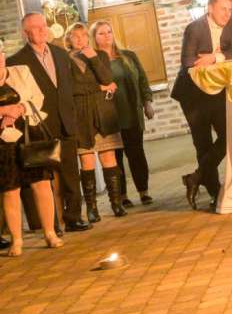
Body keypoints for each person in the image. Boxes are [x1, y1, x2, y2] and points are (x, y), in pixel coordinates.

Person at [8, 13, 89, 232]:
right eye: (37, 27)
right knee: (41, 177)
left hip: (66, 121)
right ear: (26, 33)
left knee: (71, 173)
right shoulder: (16, 61)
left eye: (44, 25)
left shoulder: (61, 54)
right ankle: (49, 223)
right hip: (38, 125)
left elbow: (69, 87)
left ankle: (74, 217)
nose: (43, 30)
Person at [171, 0, 232, 211]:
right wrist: (215, 58)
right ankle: (215, 193)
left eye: (230, 10)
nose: (227, 14)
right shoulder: (195, 28)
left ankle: (195, 177)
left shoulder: (230, 25)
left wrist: (214, 57)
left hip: (215, 90)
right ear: (210, 8)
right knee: (203, 143)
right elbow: (188, 61)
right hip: (192, 94)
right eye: (223, 9)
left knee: (228, 136)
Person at [0, 52, 63, 256]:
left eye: (0, 55)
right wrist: (4, 112)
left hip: (29, 132)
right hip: (3, 139)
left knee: (41, 183)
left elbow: (38, 97)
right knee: (10, 189)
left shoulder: (21, 71)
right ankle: (17, 240)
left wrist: (19, 109)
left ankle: (50, 233)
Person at [64, 23, 127, 220]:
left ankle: (116, 203)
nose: (80, 39)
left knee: (109, 158)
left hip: (103, 113)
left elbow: (107, 78)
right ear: (69, 39)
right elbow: (71, 88)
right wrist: (99, 88)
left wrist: (93, 57)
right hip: (81, 117)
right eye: (75, 36)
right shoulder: (64, 60)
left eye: (84, 35)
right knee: (87, 160)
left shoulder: (99, 56)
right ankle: (92, 209)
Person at [91, 20, 155, 207]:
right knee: (115, 158)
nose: (106, 36)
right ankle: (122, 196)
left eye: (109, 32)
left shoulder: (128, 56)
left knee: (137, 154)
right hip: (109, 118)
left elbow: (142, 80)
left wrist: (147, 103)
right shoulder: (93, 61)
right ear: (94, 37)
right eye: (101, 33)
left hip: (131, 113)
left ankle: (144, 191)